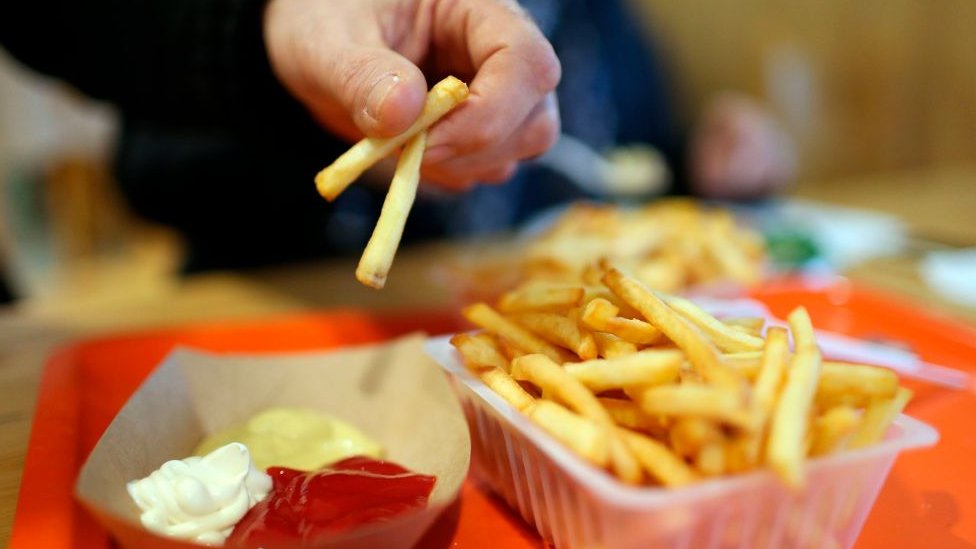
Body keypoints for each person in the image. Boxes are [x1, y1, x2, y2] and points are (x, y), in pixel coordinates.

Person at [1, 0, 792, 272]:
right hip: (295, 330)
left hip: (504, 340)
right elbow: (152, 168)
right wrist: (356, 143)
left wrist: (705, 152)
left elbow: (629, 151)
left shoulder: (588, 16)